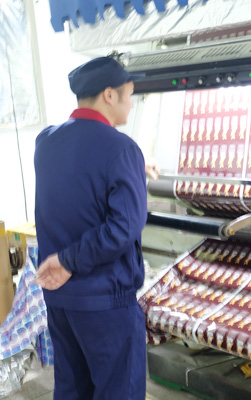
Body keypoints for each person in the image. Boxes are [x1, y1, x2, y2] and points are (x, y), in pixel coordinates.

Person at [34, 56, 158, 399]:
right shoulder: (121, 148)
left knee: (72, 389)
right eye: (129, 94)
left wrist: (134, 166)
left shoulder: (46, 141)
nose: (131, 103)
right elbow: (123, 228)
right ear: (109, 95)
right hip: (105, 302)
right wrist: (69, 260)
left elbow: (80, 176)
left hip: (60, 300)